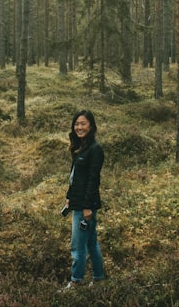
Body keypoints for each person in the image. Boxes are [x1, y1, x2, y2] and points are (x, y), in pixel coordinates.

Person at [63, 110, 105, 288]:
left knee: (77, 247)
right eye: (77, 124)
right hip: (78, 202)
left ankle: (76, 282)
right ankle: (99, 278)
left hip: (85, 206)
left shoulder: (95, 150)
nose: (79, 127)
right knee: (91, 242)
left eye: (83, 124)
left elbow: (92, 180)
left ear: (91, 126)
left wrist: (87, 207)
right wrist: (68, 198)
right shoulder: (80, 147)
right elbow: (76, 177)